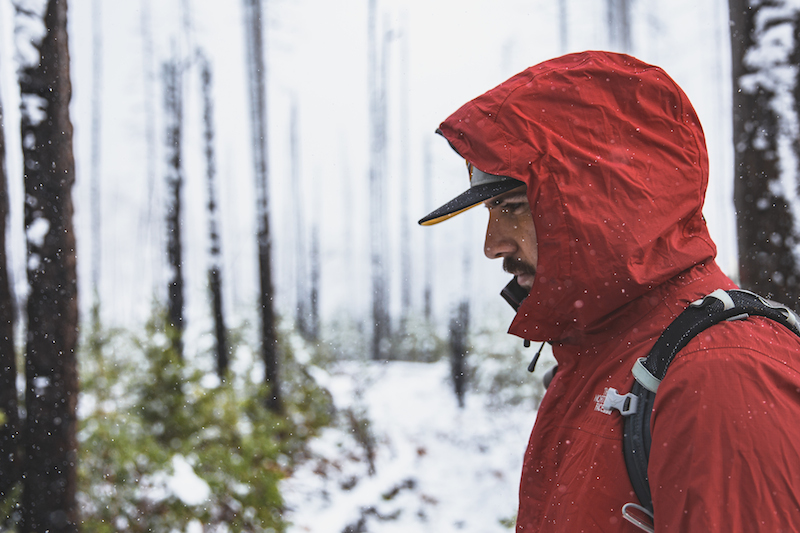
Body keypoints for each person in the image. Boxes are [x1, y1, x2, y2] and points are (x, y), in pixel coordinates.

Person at [420, 50, 800, 531]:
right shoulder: (599, 358)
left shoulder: (722, 374)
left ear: (602, 202)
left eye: (514, 207)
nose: (492, 245)